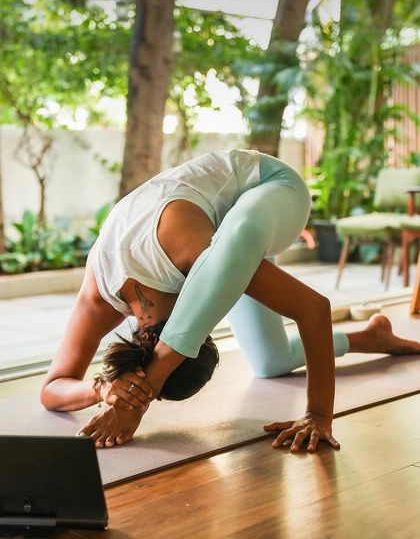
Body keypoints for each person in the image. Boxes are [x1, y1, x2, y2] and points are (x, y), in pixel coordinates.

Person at [41, 149, 420, 452]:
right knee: (271, 361)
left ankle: (365, 341)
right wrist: (104, 389)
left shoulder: (184, 251)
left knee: (230, 249)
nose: (208, 322)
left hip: (274, 188)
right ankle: (371, 336)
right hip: (229, 235)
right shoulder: (101, 295)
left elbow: (314, 309)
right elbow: (52, 388)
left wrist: (318, 415)